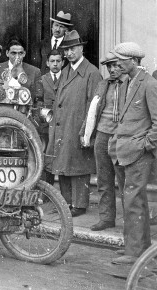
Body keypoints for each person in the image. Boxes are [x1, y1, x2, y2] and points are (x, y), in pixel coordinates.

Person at [108, 42, 157, 265]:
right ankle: (137, 247)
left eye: (121, 59)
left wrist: (145, 145)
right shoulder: (128, 82)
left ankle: (135, 252)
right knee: (134, 200)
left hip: (137, 152)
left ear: (134, 61)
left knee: (133, 201)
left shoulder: (149, 84)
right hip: (124, 150)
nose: (117, 63)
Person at [45, 30, 102, 217]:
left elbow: (95, 106)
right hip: (63, 125)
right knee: (63, 165)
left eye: (72, 49)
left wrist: (86, 131)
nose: (69, 53)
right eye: (66, 50)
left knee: (78, 166)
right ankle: (66, 203)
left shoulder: (91, 73)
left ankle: (79, 204)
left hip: (77, 127)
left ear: (81, 48)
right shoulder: (66, 70)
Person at [80, 51, 126, 231]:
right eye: (109, 66)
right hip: (102, 135)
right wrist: (86, 133)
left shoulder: (130, 84)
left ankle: (129, 222)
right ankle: (106, 218)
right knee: (104, 179)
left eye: (116, 65)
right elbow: (93, 109)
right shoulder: (103, 84)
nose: (113, 69)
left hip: (121, 137)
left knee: (124, 180)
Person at [40, 49, 63, 185]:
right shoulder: (42, 79)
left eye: (58, 61)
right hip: (46, 125)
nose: (55, 64)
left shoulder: (67, 79)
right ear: (47, 63)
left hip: (62, 124)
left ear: (62, 62)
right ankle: (46, 190)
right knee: (46, 157)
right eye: (52, 61)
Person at [0, 38, 43, 105]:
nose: (17, 57)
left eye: (20, 53)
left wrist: (20, 71)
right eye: (13, 53)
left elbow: (38, 97)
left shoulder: (35, 71)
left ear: (24, 54)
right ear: (7, 53)